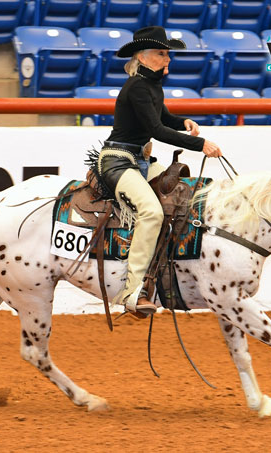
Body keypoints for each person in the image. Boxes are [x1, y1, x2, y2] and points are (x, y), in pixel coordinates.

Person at [93, 26, 222, 317]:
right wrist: (199, 143)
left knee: (183, 192)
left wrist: (183, 121)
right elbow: (155, 129)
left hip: (139, 160)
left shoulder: (150, 85)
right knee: (151, 212)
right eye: (161, 54)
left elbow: (162, 118)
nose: (168, 59)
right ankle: (131, 292)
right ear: (142, 55)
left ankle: (168, 274)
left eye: (167, 54)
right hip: (118, 160)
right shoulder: (138, 87)